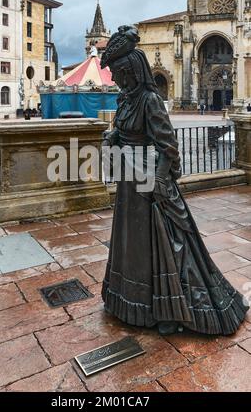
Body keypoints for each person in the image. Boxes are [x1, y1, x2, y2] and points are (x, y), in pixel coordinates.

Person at [100, 25, 249, 336]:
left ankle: (168, 308)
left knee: (163, 245)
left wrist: (158, 181)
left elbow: (167, 146)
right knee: (132, 243)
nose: (112, 78)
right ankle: (130, 299)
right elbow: (127, 132)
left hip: (150, 184)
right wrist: (114, 136)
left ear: (128, 71)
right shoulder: (125, 99)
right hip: (131, 181)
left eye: (115, 72)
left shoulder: (149, 101)